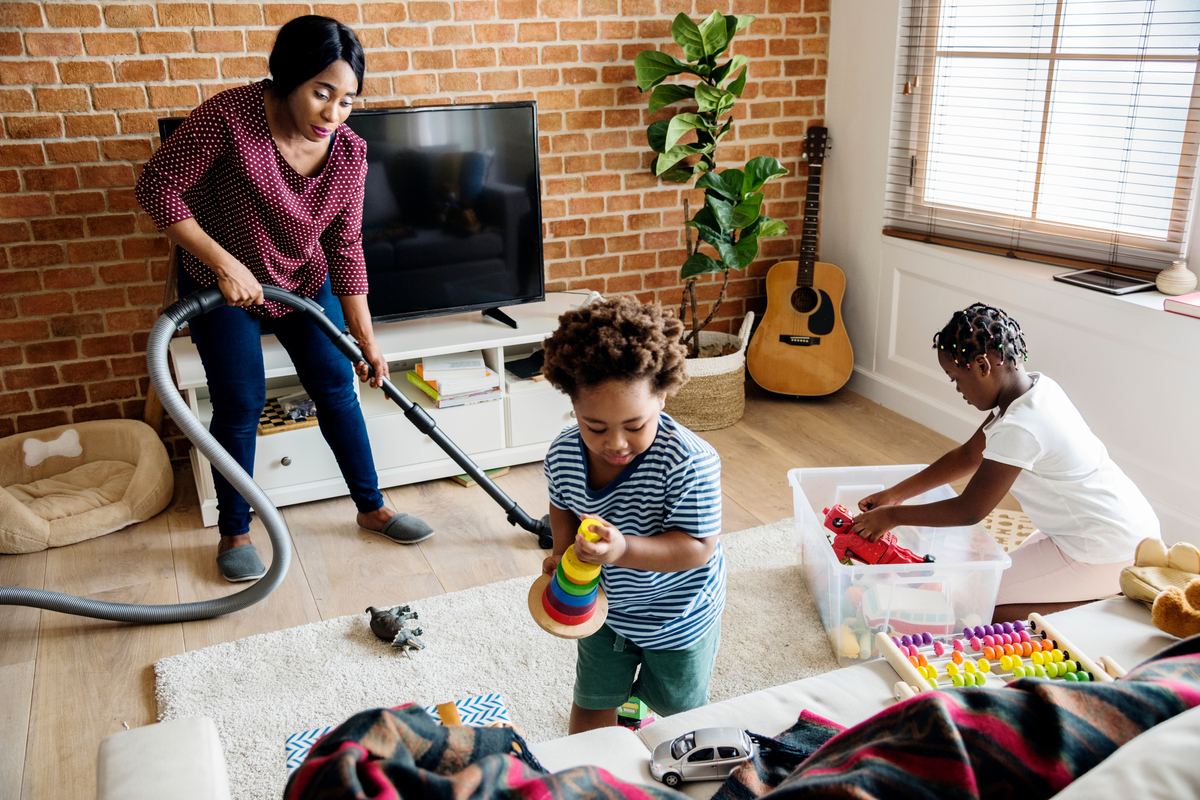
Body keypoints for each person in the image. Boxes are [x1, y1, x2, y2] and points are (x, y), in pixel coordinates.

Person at [135, 16, 433, 583]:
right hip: (222, 286)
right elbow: (157, 185)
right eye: (322, 93)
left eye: (347, 100)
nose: (333, 113)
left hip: (300, 281)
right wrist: (224, 262)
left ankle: (372, 507)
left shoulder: (348, 152)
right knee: (240, 403)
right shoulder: (230, 118)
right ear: (288, 78)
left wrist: (366, 341)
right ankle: (235, 530)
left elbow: (346, 247)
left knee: (335, 386)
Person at [852, 302, 1160, 606]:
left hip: (1104, 550)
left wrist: (892, 517)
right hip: (1120, 529)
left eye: (956, 378)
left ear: (983, 366)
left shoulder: (1021, 427)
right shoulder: (1037, 389)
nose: (958, 389)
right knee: (992, 579)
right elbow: (969, 456)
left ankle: (1099, 604)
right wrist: (895, 495)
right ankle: (1096, 588)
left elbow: (969, 510)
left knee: (976, 605)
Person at [538, 296, 726, 734]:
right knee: (591, 707)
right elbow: (563, 503)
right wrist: (563, 552)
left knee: (682, 719)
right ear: (572, 404)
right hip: (604, 612)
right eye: (595, 427)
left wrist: (622, 549)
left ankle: (643, 718)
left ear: (663, 394)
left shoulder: (689, 462)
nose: (616, 443)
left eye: (635, 425)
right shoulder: (564, 453)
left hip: (679, 616)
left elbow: (698, 547)